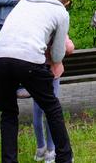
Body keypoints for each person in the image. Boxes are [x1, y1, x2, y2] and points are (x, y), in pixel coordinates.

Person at [0, 0, 73, 163]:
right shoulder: (60, 12)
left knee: (9, 113)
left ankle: (9, 160)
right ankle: (65, 157)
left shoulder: (25, 1)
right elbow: (58, 55)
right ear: (66, 2)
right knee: (52, 107)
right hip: (29, 60)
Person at [33, 34, 75, 163]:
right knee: (52, 112)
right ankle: (51, 150)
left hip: (35, 74)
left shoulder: (35, 29)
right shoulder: (57, 26)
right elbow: (69, 48)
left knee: (37, 112)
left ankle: (40, 147)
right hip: (53, 73)